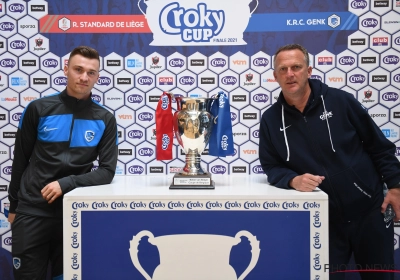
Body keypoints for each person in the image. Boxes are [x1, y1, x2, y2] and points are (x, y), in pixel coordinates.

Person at [259, 43, 400, 280]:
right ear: (275, 76)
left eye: (296, 67)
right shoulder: (271, 119)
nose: (290, 74)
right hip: (322, 222)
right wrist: (292, 180)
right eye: (283, 69)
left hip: (370, 212)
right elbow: (271, 166)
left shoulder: (340, 102)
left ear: (309, 71)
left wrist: (396, 187)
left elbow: (379, 147)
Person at [8, 46, 118, 280]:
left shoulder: (105, 118)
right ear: (66, 69)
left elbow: (107, 172)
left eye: (91, 72)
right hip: (32, 210)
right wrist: (14, 206)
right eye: (78, 69)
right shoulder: (38, 109)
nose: (84, 77)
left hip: (75, 213)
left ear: (97, 77)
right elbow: (20, 160)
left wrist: (66, 183)